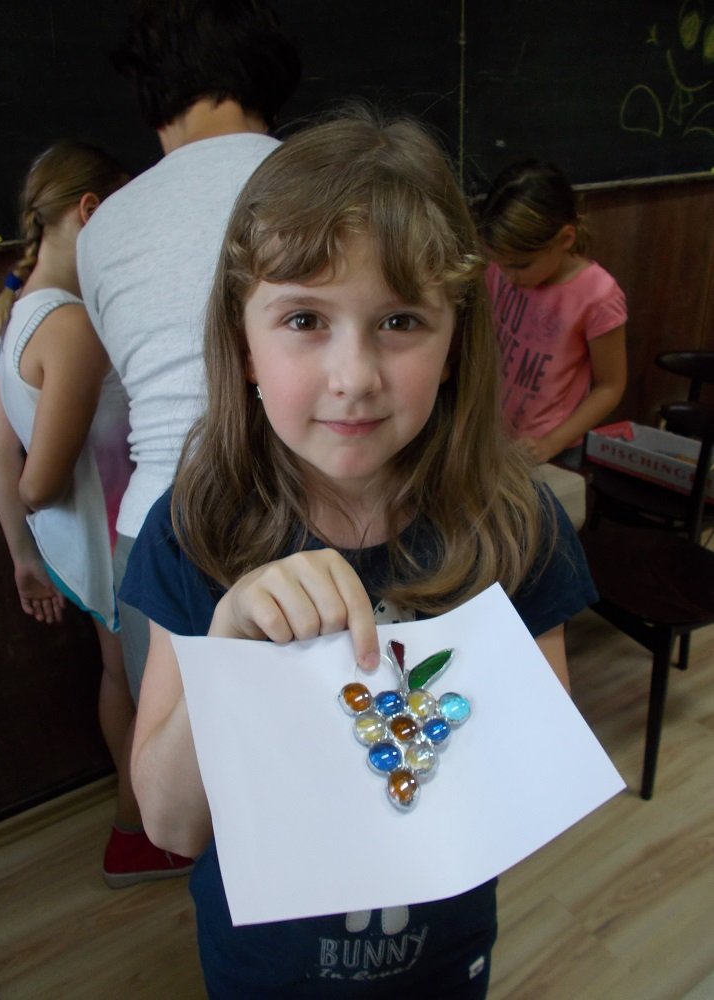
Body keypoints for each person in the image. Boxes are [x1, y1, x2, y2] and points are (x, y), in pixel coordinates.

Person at [120, 110, 598, 997]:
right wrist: (230, 645)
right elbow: (172, 825)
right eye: (305, 318)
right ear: (243, 343)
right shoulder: (195, 530)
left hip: (443, 964)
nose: (354, 377)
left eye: (400, 321)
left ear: (454, 343)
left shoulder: (511, 524)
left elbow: (525, 792)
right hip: (260, 971)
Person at [77, 0, 301, 704]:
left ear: (151, 94)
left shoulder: (101, 227)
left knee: (177, 759)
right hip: (310, 520)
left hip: (155, 534)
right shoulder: (328, 184)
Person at [0, 140, 192, 887]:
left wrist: (25, 555)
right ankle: (139, 832)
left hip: (76, 544)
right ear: (91, 211)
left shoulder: (12, 313)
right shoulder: (69, 325)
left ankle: (136, 825)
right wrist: (35, 514)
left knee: (120, 682)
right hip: (107, 541)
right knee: (141, 689)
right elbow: (35, 478)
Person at [479, 159, 627, 469]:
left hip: (552, 450)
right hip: (493, 436)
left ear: (565, 239)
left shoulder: (598, 296)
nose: (508, 277)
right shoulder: (502, 269)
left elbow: (610, 387)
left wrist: (550, 443)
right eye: (500, 264)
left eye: (520, 266)